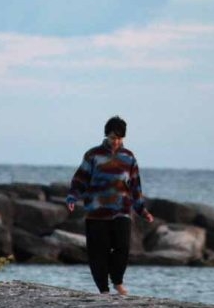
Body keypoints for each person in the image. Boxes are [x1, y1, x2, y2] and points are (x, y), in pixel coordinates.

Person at [66, 116, 154, 295]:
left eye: (120, 138)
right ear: (106, 135)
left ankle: (117, 281)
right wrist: (72, 198)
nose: (116, 142)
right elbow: (80, 179)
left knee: (122, 247)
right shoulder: (93, 155)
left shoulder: (128, 157)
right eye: (113, 137)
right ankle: (103, 290)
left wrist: (142, 210)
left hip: (121, 211)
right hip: (96, 212)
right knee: (98, 253)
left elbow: (135, 186)